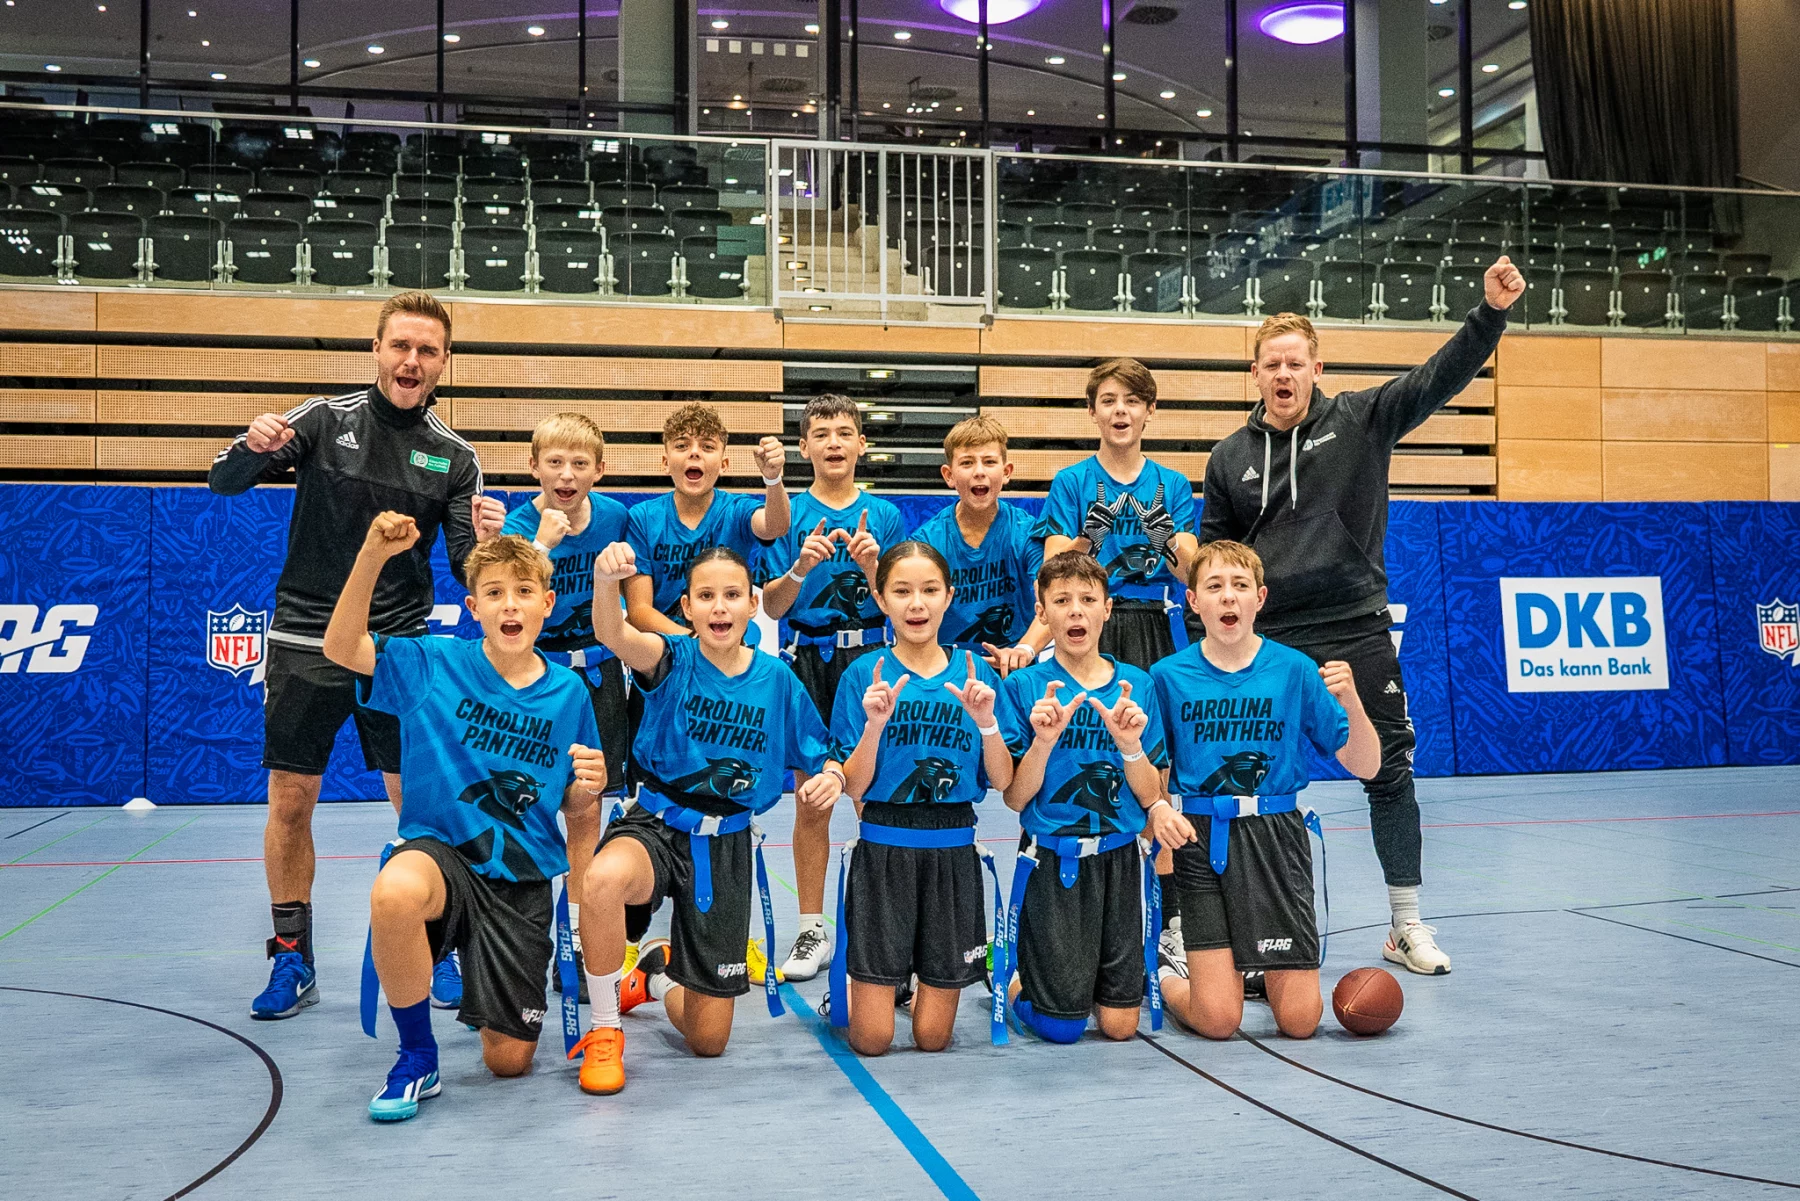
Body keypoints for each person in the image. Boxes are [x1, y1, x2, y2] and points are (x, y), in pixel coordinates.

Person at [1198, 256, 1525, 975]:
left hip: (1354, 625)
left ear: (1317, 368)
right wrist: (1212, 647)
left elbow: (1437, 378)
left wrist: (1490, 314)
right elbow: (1217, 561)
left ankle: (1405, 924)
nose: (1284, 374)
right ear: (1255, 375)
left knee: (1389, 770)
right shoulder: (1228, 457)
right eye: (1271, 365)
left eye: (1295, 363)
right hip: (1267, 637)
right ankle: (1245, 936)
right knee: (1243, 780)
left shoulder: (1360, 419)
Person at [207, 290, 506, 1021]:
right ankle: (291, 958)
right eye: (400, 345)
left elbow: (469, 570)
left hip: (397, 648)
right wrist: (251, 445)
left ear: (444, 363)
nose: (412, 360)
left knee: (422, 807)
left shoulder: (456, 458)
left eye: (427, 350)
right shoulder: (322, 419)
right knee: (290, 800)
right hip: (306, 638)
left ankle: (435, 943)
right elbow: (224, 481)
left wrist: (490, 538)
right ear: (377, 350)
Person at [322, 519, 604, 1121]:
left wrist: (588, 789)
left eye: (524, 591)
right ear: (474, 608)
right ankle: (416, 1057)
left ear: (548, 604)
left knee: (508, 1062)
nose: (510, 604)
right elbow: (341, 648)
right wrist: (370, 555)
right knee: (395, 891)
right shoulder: (432, 663)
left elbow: (575, 808)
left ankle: (491, 987)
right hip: (442, 855)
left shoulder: (570, 694)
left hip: (521, 880)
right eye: (495, 592)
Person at [570, 544, 842, 1094]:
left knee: (708, 1039)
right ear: (688, 608)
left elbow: (824, 754)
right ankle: (604, 1029)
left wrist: (832, 777)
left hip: (726, 846)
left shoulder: (777, 680)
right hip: (656, 823)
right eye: (707, 596)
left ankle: (653, 975)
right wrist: (604, 581)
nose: (720, 606)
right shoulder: (669, 657)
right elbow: (611, 633)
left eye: (733, 595)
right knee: (601, 879)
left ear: (752, 605)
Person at [1150, 540, 1379, 1041]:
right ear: (1193, 601)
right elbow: (1155, 769)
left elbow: (1367, 765)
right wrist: (1157, 815)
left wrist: (1353, 703)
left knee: (1299, 1022)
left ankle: (1246, 968)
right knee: (1217, 1021)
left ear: (1260, 597)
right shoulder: (1166, 677)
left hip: (1277, 837)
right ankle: (1166, 972)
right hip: (1201, 838)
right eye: (1214, 586)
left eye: (1239, 586)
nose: (1228, 597)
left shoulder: (1294, 670)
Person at [1033, 358, 1201, 947]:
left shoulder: (1171, 484)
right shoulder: (1072, 481)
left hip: (1152, 624)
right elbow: (1056, 566)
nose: (1120, 411)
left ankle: (1170, 918)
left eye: (1132, 400)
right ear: (1093, 412)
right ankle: (1087, 898)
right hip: (1090, 625)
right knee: (1088, 757)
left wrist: (1165, 537)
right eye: (1108, 400)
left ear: (1150, 411)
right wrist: (1091, 538)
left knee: (1156, 769)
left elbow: (1191, 571)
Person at [829, 541, 1013, 1057]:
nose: (917, 604)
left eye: (930, 590)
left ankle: (904, 984)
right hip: (884, 850)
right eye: (902, 591)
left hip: (953, 853)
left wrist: (987, 723)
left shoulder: (976, 673)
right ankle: (866, 989)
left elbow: (1003, 780)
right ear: (880, 599)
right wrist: (874, 727)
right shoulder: (862, 675)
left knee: (933, 1039)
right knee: (872, 1041)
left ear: (949, 596)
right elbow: (854, 787)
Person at [997, 551, 1185, 1043]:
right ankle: (1011, 975)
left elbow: (1151, 794)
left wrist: (1131, 747)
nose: (1075, 610)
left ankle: (1105, 976)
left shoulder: (1137, 684)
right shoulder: (1023, 687)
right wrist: (1043, 742)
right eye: (1061, 600)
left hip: (1119, 860)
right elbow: (1015, 799)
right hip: (1052, 859)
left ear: (1107, 608)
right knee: (1059, 1028)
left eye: (1087, 599)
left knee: (1120, 1027)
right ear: (1042, 612)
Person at [759, 394, 907, 983]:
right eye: (821, 434)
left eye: (845, 432)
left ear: (862, 444)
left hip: (871, 660)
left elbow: (903, 606)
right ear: (804, 447)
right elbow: (770, 607)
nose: (834, 443)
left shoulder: (885, 515)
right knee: (811, 797)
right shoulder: (787, 514)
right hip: (807, 660)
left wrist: (873, 567)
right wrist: (799, 568)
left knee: (875, 794)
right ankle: (812, 928)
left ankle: (887, 924)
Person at [499, 412, 628, 1004]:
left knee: (586, 810)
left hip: (597, 678)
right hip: (536, 682)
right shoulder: (518, 526)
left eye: (580, 463)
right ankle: (512, 937)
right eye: (555, 462)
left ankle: (575, 937)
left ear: (599, 470)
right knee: (521, 810)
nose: (567, 474)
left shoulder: (617, 518)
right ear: (534, 467)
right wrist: (540, 546)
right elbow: (507, 601)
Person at [621, 401, 790, 641]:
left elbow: (776, 526)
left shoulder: (736, 510)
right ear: (665, 463)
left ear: (723, 465)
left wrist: (773, 479)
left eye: (707, 446)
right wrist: (696, 643)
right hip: (665, 650)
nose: (694, 452)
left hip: (726, 645)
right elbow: (639, 611)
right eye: (682, 445)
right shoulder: (643, 518)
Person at [910, 415, 1047, 676]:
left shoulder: (1027, 532)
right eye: (967, 462)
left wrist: (1025, 649)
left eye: (989, 461)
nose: (979, 471)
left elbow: (1054, 599)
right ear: (949, 475)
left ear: (1006, 472)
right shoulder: (927, 541)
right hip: (946, 670)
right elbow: (911, 613)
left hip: (1014, 670)